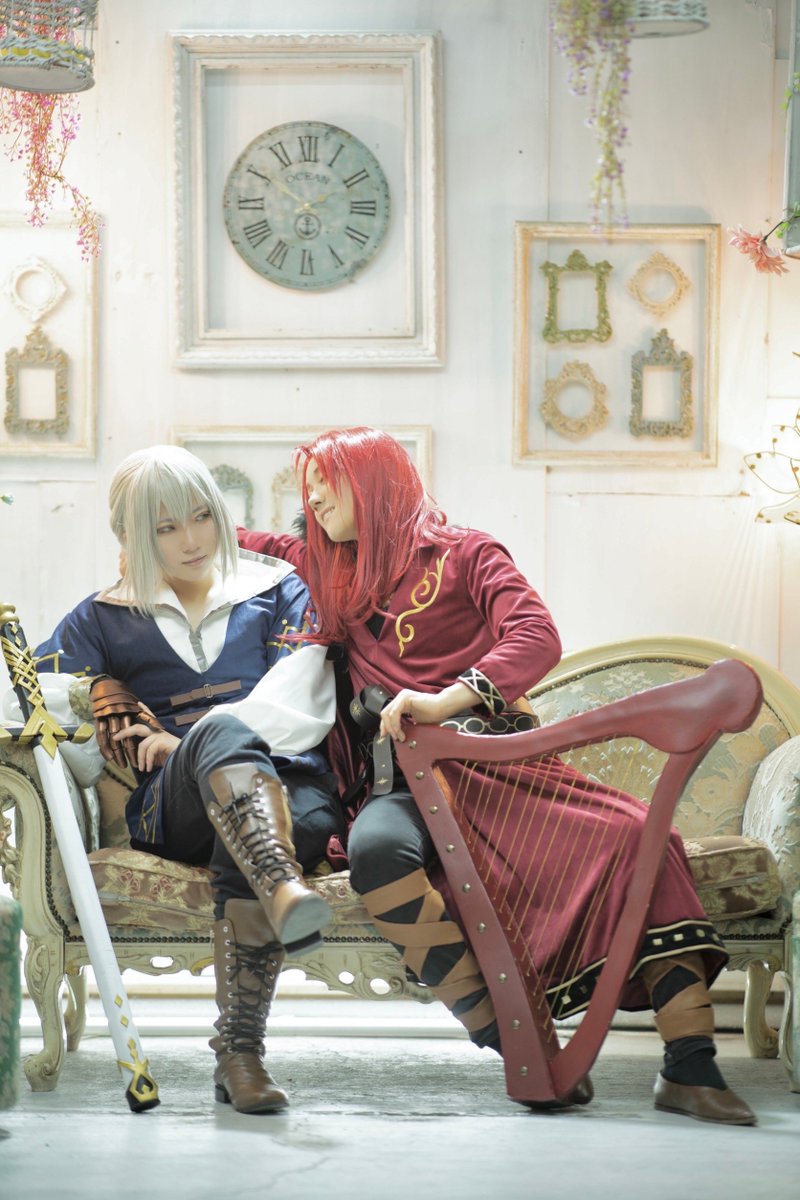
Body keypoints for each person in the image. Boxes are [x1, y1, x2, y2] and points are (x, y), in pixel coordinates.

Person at [238, 425, 757, 1126]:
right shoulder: (324, 567)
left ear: (373, 481)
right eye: (309, 489)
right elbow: (229, 543)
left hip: (504, 772)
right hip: (401, 787)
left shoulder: (466, 553)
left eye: (327, 482)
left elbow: (537, 635)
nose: (314, 499)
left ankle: (690, 1067)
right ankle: (520, 1048)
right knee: (376, 852)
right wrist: (151, 535)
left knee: (643, 835)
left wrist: (446, 700)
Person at [25, 445, 346, 1116]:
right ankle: (281, 887)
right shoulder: (102, 617)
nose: (192, 540)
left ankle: (240, 1056)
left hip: (293, 799)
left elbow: (305, 698)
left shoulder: (278, 590)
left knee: (238, 813)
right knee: (221, 741)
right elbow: (22, 699)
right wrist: (87, 690)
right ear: (131, 536)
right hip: (176, 812)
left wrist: (186, 739)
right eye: (166, 527)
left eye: (202, 516)